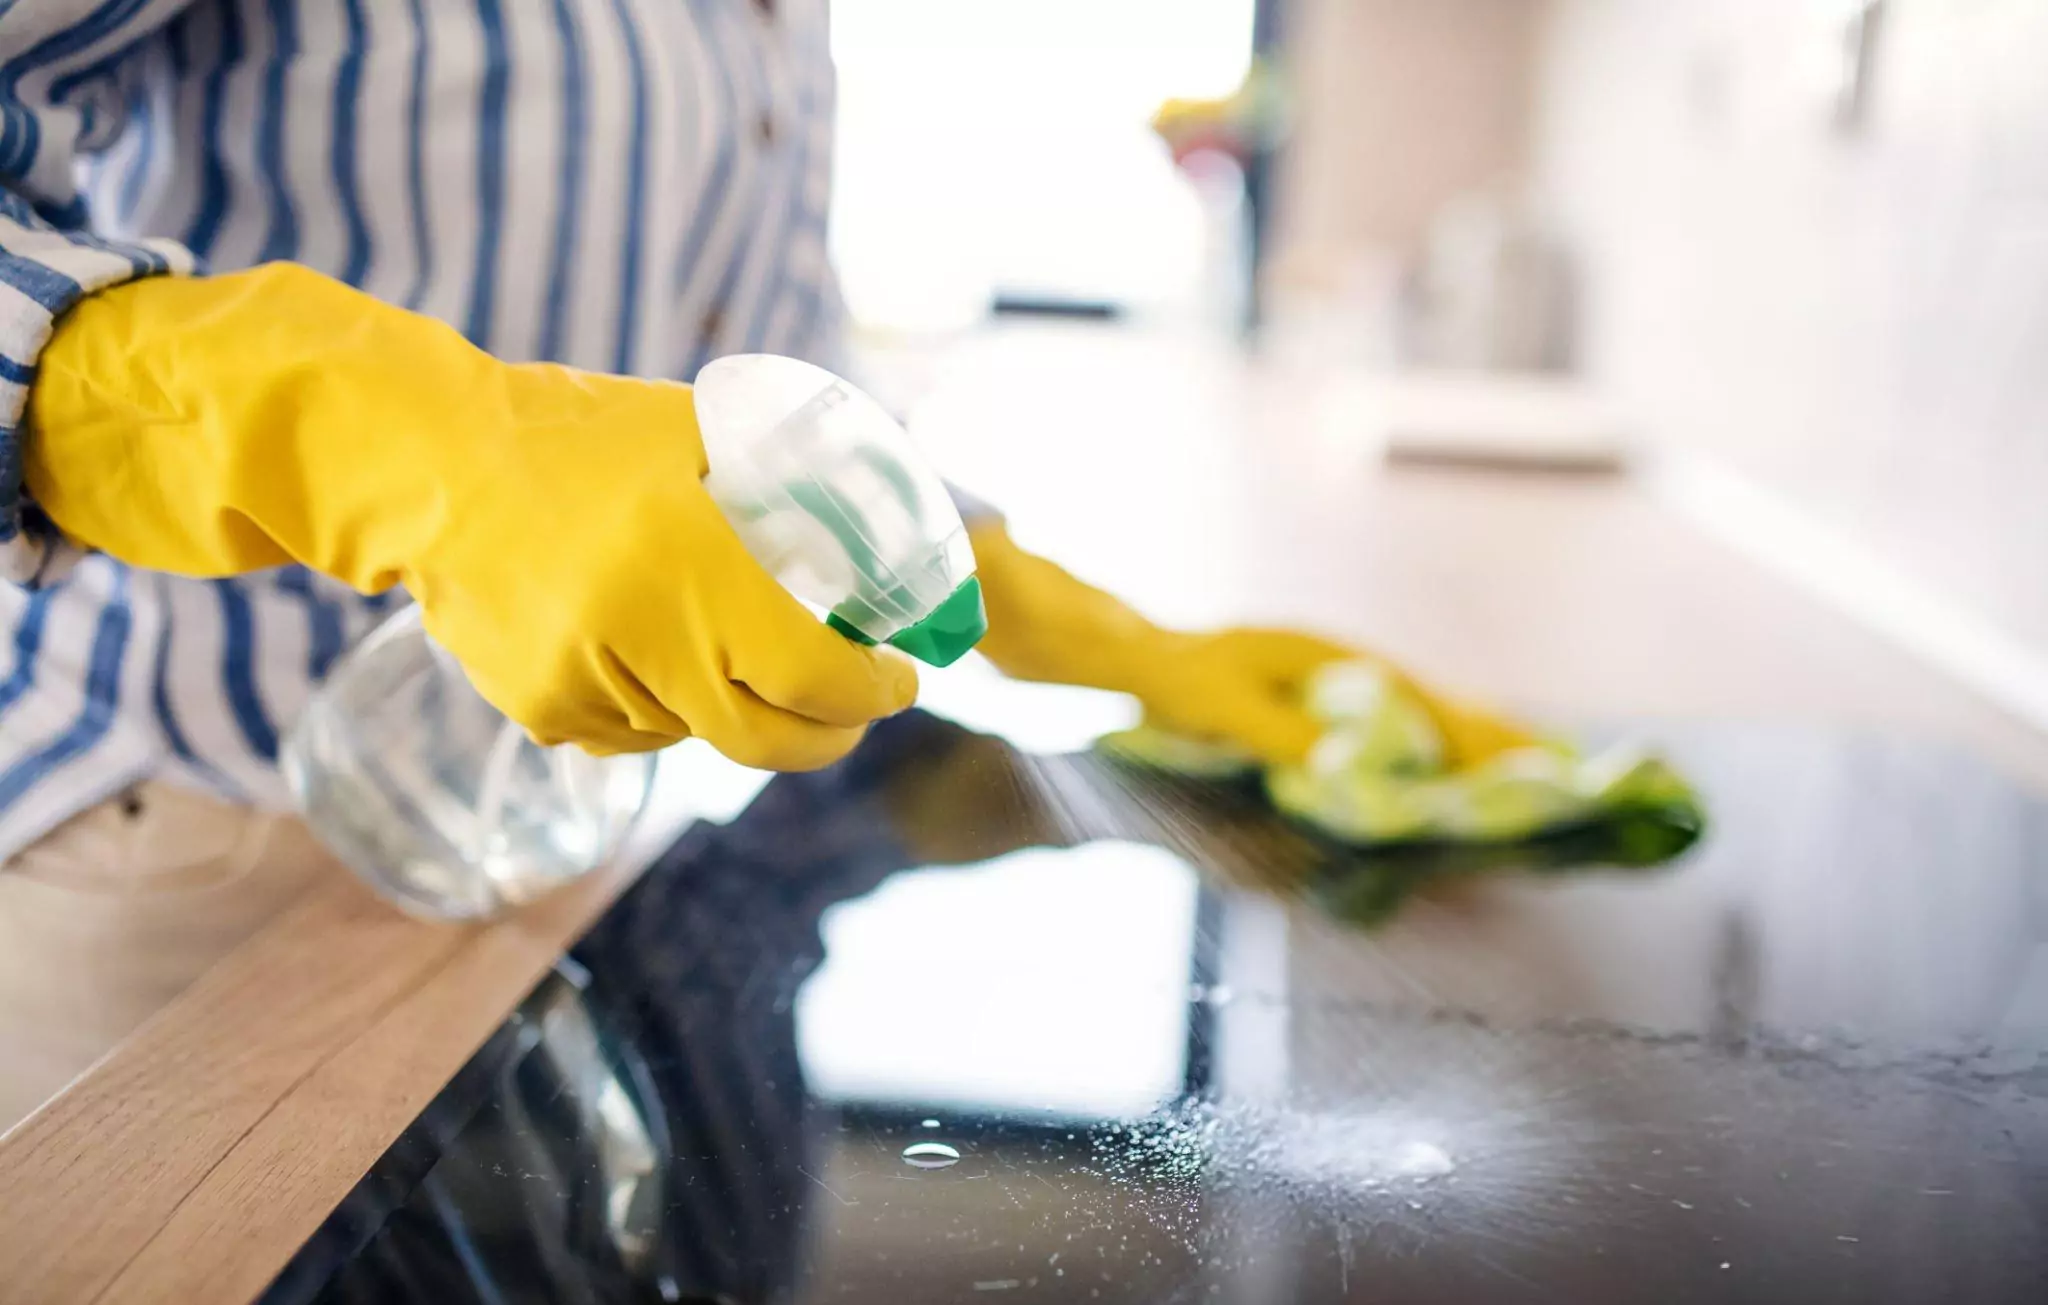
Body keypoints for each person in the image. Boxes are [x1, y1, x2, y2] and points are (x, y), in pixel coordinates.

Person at [0, 1, 1526, 1126]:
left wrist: (1099, 639)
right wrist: (375, 441)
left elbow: (776, 391)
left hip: (564, 843)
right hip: (192, 837)